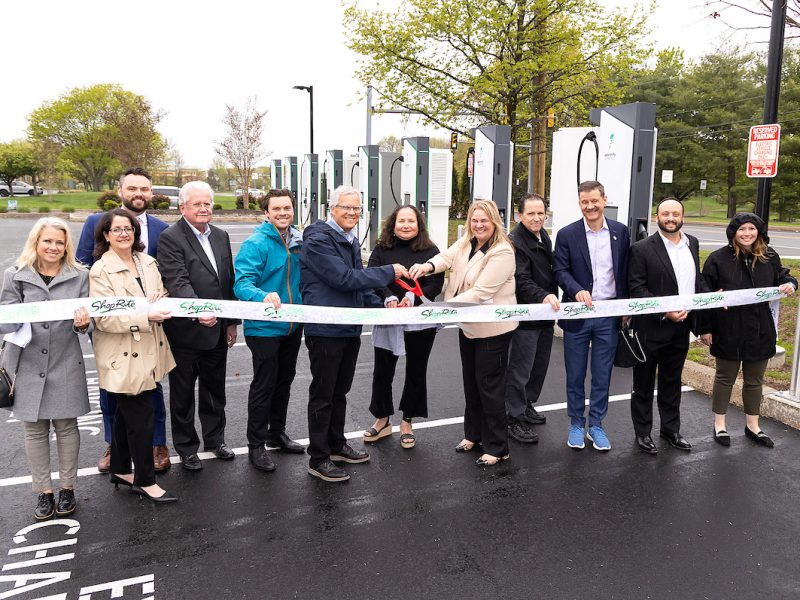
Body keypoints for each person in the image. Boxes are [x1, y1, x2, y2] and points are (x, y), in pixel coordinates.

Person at [300, 185, 408, 483]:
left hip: (349, 328)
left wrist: (384, 302)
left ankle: (335, 445)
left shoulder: (347, 239)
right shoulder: (319, 239)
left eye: (357, 208)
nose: (352, 213)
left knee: (339, 391)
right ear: (331, 208)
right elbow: (343, 278)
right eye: (346, 207)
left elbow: (358, 287)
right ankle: (318, 458)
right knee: (323, 394)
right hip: (325, 329)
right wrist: (390, 272)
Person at [76, 167, 171, 473]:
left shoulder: (161, 228)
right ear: (120, 191)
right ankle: (113, 445)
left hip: (150, 327)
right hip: (113, 325)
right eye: (132, 189)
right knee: (113, 387)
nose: (138, 194)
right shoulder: (94, 223)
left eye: (144, 189)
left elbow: (163, 275)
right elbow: (81, 267)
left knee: (151, 386)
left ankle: (157, 443)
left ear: (151, 191)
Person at [410, 199, 517, 466]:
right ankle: (474, 435)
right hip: (468, 325)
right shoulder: (467, 242)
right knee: (472, 384)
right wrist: (427, 267)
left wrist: (444, 308)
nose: (479, 225)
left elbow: (482, 292)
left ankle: (498, 447)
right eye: (474, 220)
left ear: (495, 222)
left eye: (484, 220)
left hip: (492, 330)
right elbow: (446, 257)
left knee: (490, 388)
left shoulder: (502, 252)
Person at [0, 218, 91, 521]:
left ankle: (67, 488)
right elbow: (6, 322)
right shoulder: (14, 276)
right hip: (26, 363)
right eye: (47, 241)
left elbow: (89, 322)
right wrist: (12, 317)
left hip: (65, 359)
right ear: (36, 242)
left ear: (67, 247)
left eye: (60, 242)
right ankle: (44, 492)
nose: (53, 247)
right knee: (34, 431)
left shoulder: (80, 276)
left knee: (66, 428)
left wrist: (83, 324)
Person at [90, 209, 177, 503]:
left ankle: (119, 468)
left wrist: (160, 303)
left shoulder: (148, 262)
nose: (124, 234)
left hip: (149, 347)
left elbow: (162, 293)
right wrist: (146, 314)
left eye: (129, 228)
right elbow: (104, 318)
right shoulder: (100, 270)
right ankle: (145, 480)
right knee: (141, 416)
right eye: (117, 230)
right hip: (123, 353)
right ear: (106, 235)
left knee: (126, 414)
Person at [157, 181, 239, 471]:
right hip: (187, 332)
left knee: (215, 390)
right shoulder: (170, 238)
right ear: (182, 207)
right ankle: (186, 448)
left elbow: (226, 281)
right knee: (182, 394)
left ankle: (215, 440)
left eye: (207, 204)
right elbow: (177, 281)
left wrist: (231, 322)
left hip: (217, 330)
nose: (204, 208)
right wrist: (199, 311)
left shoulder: (221, 235)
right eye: (197, 204)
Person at [700, 213, 796, 448]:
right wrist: (705, 327)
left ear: (759, 232)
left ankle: (753, 425)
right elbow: (703, 293)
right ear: (733, 232)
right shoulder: (717, 259)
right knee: (725, 377)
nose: (747, 234)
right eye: (742, 229)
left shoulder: (769, 257)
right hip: (727, 327)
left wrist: (791, 283)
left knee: (755, 380)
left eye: (751, 229)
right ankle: (720, 425)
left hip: (760, 328)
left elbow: (783, 275)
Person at [553, 180, 630, 451]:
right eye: (585, 202)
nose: (590, 206)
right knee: (575, 374)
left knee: (602, 374)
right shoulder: (567, 234)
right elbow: (560, 270)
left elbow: (624, 271)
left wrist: (625, 308)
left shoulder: (621, 232)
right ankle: (576, 423)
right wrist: (575, 291)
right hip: (578, 314)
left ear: (604, 200)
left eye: (594, 201)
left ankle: (596, 425)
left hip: (608, 314)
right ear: (580, 204)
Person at [234, 189, 306, 473]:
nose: (283, 213)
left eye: (287, 208)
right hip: (263, 327)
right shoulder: (255, 244)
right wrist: (261, 295)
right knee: (265, 384)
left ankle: (277, 433)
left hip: (292, 324)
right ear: (266, 213)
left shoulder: (300, 239)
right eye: (276, 209)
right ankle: (256, 444)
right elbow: (241, 284)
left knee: (285, 380)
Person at [628, 199, 706, 455]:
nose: (670, 218)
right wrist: (665, 311)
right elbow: (637, 289)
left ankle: (671, 430)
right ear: (657, 216)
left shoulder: (691, 243)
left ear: (683, 216)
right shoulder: (641, 249)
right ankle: (643, 433)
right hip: (651, 327)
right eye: (665, 213)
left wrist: (716, 297)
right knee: (643, 384)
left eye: (675, 213)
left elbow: (695, 281)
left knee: (672, 382)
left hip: (681, 328)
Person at [362, 205, 444, 449]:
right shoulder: (381, 248)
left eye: (411, 221)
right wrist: (388, 297)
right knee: (383, 370)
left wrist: (413, 298)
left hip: (419, 320)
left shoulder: (431, 250)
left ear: (419, 224)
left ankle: (407, 421)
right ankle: (382, 419)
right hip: (389, 317)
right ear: (393, 224)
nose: (406, 225)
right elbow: (373, 275)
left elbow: (436, 281)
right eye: (401, 221)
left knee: (416, 370)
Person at [504, 193, 559, 444]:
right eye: (531, 214)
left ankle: (526, 404)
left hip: (545, 315)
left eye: (540, 213)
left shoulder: (542, 235)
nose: (537, 218)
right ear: (519, 216)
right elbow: (521, 280)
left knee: (538, 367)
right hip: (527, 315)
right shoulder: (515, 242)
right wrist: (544, 295)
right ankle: (513, 417)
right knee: (519, 369)